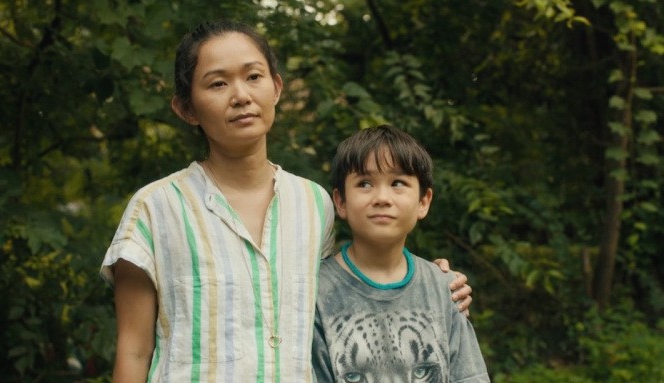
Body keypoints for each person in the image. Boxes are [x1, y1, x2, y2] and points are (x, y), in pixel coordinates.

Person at [100, 20, 472, 382]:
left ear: (276, 88)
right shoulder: (155, 208)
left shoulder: (314, 203)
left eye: (253, 76)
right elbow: (133, 351)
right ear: (187, 109)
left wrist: (430, 283)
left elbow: (353, 286)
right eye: (217, 83)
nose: (241, 95)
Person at [312, 125, 489, 382]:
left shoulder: (445, 289)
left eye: (398, 183)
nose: (382, 197)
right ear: (340, 202)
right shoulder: (315, 291)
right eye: (364, 183)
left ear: (423, 202)